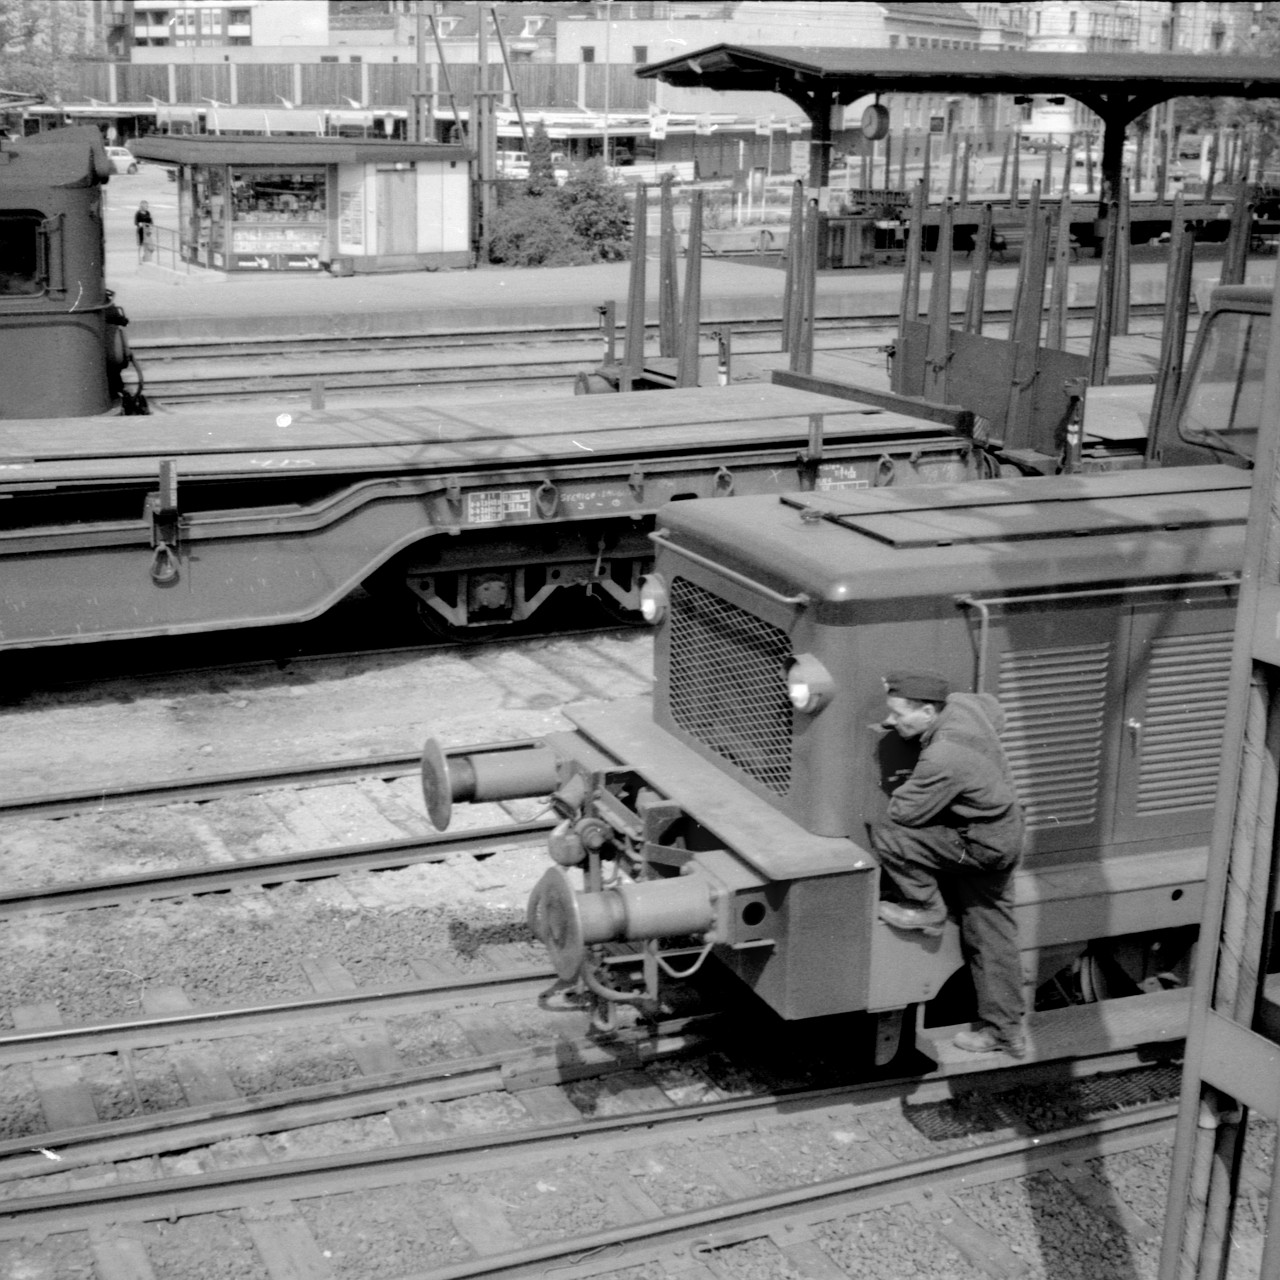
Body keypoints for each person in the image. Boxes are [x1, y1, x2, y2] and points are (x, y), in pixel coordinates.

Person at [869, 669, 1027, 1057]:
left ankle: (926, 908)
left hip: (980, 845)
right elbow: (995, 711)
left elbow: (904, 813)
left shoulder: (944, 756)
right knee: (991, 933)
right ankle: (1006, 1034)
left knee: (887, 831)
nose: (890, 722)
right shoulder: (963, 704)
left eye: (898, 714)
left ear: (927, 711)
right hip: (1002, 833)